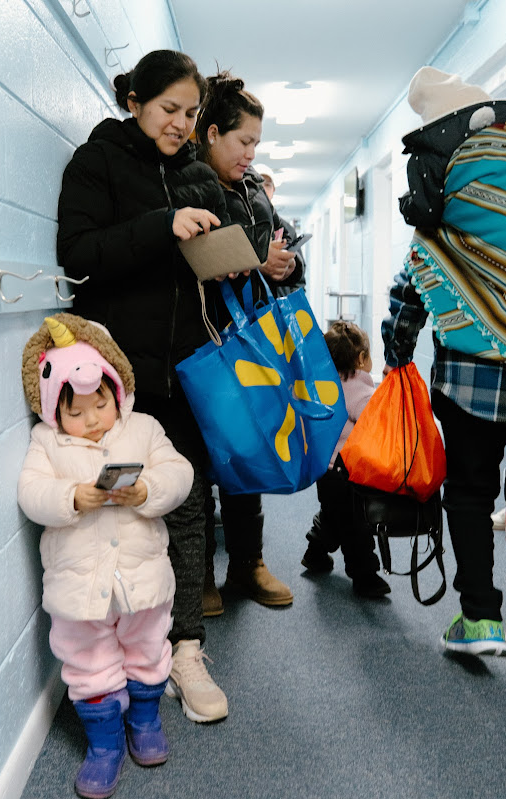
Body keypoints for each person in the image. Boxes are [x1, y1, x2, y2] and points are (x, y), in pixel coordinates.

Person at [56, 50, 229, 722]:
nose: (181, 124)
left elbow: (212, 267)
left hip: (190, 371)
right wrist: (163, 224)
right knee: (118, 510)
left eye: (191, 112)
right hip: (120, 380)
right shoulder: (97, 162)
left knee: (187, 505)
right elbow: (79, 254)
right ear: (133, 101)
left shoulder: (201, 176)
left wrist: (241, 261)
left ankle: (186, 648)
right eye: (168, 109)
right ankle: (115, 656)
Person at [383, 66, 506, 673]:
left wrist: (396, 357)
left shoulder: (444, 206)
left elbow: (410, 291)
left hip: (468, 382)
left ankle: (479, 619)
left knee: (470, 495)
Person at [18, 314, 194, 798]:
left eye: (102, 404)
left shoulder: (144, 429)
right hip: (79, 588)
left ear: (118, 391)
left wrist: (147, 490)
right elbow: (31, 493)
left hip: (143, 579)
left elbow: (180, 473)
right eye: (77, 412)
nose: (93, 419)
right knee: (87, 660)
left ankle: (144, 718)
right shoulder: (46, 443)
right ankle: (104, 742)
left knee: (148, 647)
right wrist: (71, 497)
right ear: (54, 410)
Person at [195, 71, 303, 615]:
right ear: (213, 133)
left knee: (248, 445)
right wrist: (258, 260)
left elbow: (285, 245)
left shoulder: (254, 187)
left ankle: (247, 563)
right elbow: (196, 257)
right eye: (244, 141)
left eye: (256, 143)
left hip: (254, 337)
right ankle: (200, 574)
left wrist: (285, 263)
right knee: (201, 460)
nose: (251, 154)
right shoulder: (189, 181)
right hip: (202, 335)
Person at [301, 321, 390, 598]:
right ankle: (365, 576)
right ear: (361, 359)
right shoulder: (360, 389)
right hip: (347, 474)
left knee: (333, 514)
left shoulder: (325, 384)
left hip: (325, 471)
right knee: (356, 526)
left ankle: (315, 552)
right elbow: (375, 423)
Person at [256, 164, 307, 296]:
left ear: (274, 190)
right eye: (258, 184)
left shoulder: (286, 229)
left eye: (267, 185)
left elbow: (299, 280)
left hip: (281, 300)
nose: (263, 189)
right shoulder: (245, 224)